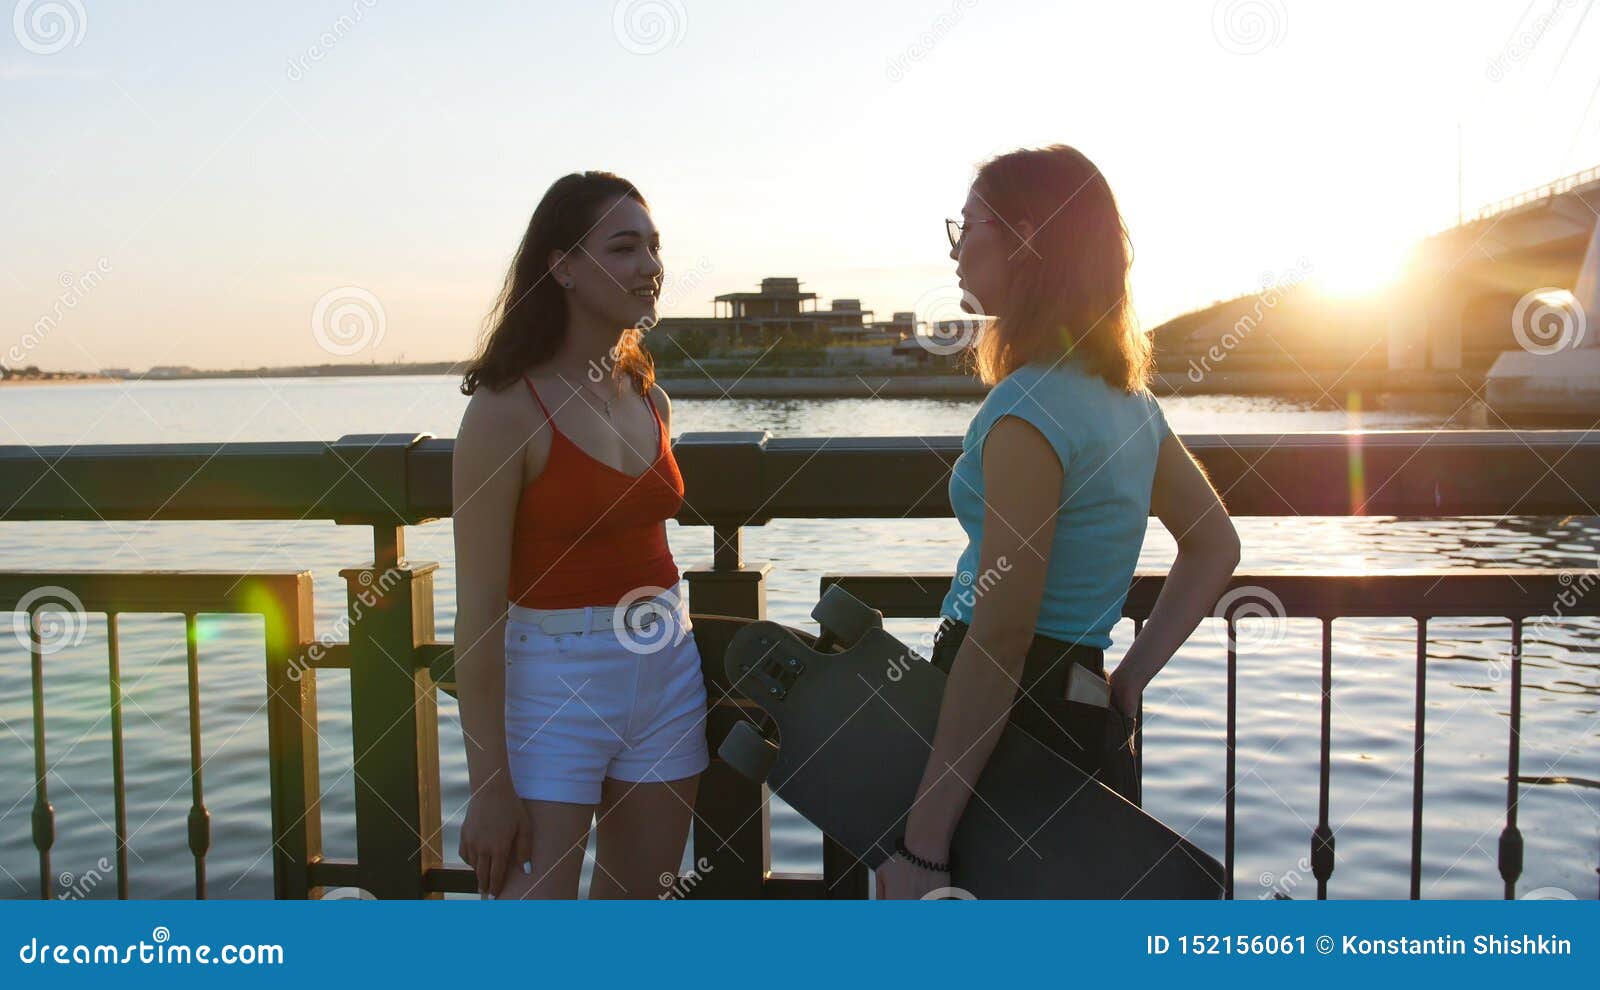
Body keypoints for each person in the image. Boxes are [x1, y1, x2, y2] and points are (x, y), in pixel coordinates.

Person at [876, 145, 1241, 899]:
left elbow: (1002, 632)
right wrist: (1128, 682)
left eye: (967, 225)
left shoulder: (1026, 409)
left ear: (1028, 237)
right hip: (1077, 707)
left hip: (1001, 725)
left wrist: (923, 847)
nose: (955, 248)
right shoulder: (1130, 405)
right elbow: (1214, 544)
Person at [452, 171, 708, 899]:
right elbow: (476, 619)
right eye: (625, 248)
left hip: (667, 674)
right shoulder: (506, 411)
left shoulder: (649, 395)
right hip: (554, 688)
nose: (651, 267)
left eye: (654, 247)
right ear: (561, 266)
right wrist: (489, 786)